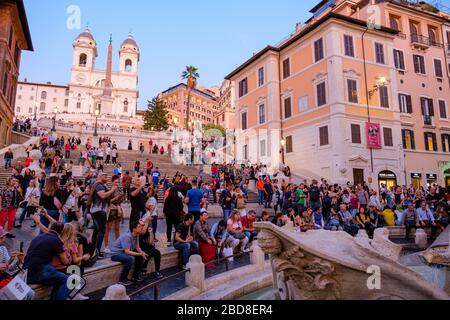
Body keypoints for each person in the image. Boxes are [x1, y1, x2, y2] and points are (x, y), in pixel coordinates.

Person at [24, 222, 70, 300]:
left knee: (57, 278)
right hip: (39, 271)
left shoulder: (38, 237)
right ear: (61, 232)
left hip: (27, 271)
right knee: (65, 279)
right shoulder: (57, 240)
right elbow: (65, 261)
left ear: (50, 228)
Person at [110, 220, 148, 286]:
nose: (141, 228)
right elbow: (127, 252)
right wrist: (140, 254)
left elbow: (138, 248)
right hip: (116, 254)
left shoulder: (136, 235)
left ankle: (135, 276)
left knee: (140, 256)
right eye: (139, 226)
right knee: (131, 259)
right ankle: (122, 279)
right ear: (134, 229)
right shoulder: (127, 236)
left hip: (123, 252)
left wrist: (143, 253)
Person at [89, 173, 117, 259]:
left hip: (96, 211)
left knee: (97, 231)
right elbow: (103, 196)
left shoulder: (98, 185)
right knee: (101, 231)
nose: (107, 178)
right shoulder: (99, 186)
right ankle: (97, 251)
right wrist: (112, 189)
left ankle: (93, 250)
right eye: (105, 177)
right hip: (99, 211)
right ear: (100, 177)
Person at [104, 176, 124, 254]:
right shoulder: (110, 190)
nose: (117, 183)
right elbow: (108, 201)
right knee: (108, 229)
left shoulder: (119, 189)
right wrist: (117, 198)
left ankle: (118, 245)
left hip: (118, 209)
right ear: (112, 182)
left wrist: (121, 198)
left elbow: (119, 201)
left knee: (117, 229)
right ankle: (106, 246)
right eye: (115, 182)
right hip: (111, 210)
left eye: (118, 182)